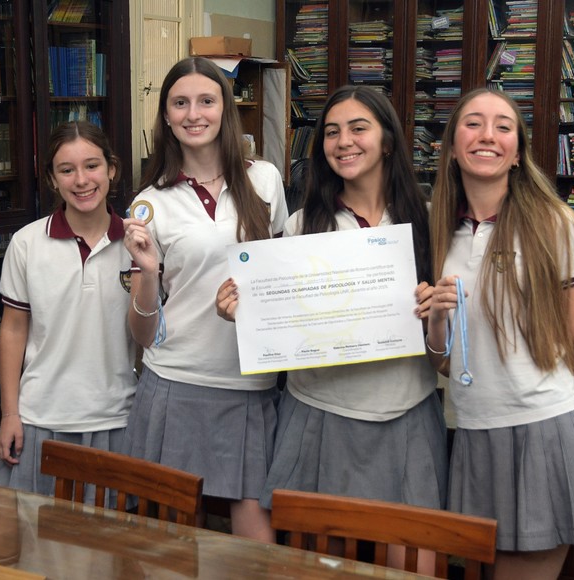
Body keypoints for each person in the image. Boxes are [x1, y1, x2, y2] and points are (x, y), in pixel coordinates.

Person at [216, 85, 446, 572]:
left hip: (406, 413)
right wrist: (246, 312)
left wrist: (436, 314)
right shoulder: (302, 226)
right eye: (332, 132)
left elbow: (445, 348)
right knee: (317, 567)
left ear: (387, 141)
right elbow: (279, 325)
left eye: (359, 128)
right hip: (320, 415)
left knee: (414, 564)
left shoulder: (428, 223)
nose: (344, 141)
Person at [426, 88, 574, 579]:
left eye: (503, 126)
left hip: (545, 432)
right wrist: (436, 322)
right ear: (451, 146)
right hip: (474, 435)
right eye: (473, 123)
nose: (487, 135)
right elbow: (443, 361)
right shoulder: (437, 231)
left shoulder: (554, 225)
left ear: (518, 153)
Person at [122, 57, 288, 541]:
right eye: (180, 103)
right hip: (176, 382)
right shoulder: (149, 202)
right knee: (172, 548)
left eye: (206, 101)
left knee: (257, 548)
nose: (194, 113)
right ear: (167, 117)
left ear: (225, 109)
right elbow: (142, 333)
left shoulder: (266, 180)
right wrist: (149, 274)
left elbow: (278, 280)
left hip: (249, 385)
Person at [0, 121, 137, 497]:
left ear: (112, 169)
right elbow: (12, 330)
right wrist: (10, 414)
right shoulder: (27, 243)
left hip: (116, 417)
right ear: (52, 179)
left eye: (92, 165)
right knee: (33, 542)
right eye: (66, 170)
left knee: (109, 546)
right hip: (41, 417)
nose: (81, 180)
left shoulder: (137, 243)